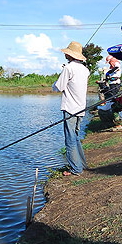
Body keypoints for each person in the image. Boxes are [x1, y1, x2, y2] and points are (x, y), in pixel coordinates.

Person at [52, 41, 90, 176]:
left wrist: (54, 84)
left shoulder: (68, 68)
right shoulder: (85, 70)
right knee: (75, 136)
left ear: (70, 54)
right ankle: (81, 164)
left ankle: (76, 169)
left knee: (69, 139)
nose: (65, 54)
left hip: (70, 108)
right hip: (81, 108)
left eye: (67, 53)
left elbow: (59, 87)